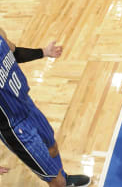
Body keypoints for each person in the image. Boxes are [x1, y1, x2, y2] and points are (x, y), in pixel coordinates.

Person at [0, 27, 90, 186]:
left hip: (26, 104)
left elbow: (13, 53)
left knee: (52, 147)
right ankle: (60, 182)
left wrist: (43, 52)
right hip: (14, 127)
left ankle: (65, 180)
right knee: (56, 181)